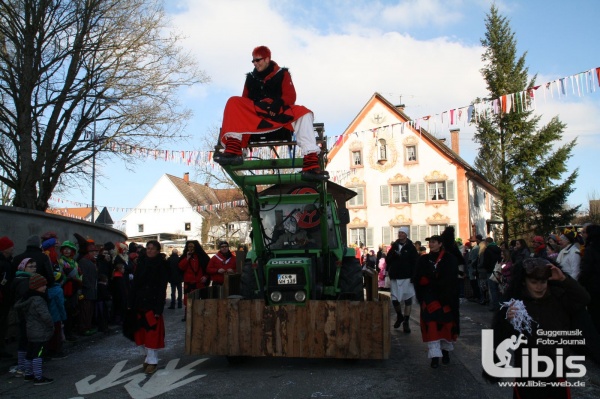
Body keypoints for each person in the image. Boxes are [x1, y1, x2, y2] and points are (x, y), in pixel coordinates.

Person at [214, 45, 329, 182]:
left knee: (304, 113)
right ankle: (233, 151)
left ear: (267, 59)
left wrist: (278, 103)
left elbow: (290, 96)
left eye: (258, 60)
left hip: (278, 114)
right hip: (257, 114)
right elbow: (244, 101)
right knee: (233, 102)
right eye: (253, 61)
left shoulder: (282, 74)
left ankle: (311, 165)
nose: (255, 64)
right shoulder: (250, 78)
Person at [489, 258, 590, 398]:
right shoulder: (515, 305)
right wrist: (508, 321)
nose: (539, 287)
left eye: (543, 282)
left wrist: (564, 279)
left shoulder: (558, 298)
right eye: (534, 282)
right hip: (528, 374)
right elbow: (501, 338)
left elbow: (584, 299)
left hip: (556, 373)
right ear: (524, 281)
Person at [414, 235, 459, 368]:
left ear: (440, 244)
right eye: (429, 242)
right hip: (429, 298)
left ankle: (445, 353)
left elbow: (451, 279)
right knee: (432, 325)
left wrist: (434, 281)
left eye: (433, 242)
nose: (431, 244)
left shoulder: (449, 259)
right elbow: (417, 277)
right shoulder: (423, 259)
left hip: (445, 298)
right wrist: (422, 282)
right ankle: (434, 357)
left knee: (446, 325)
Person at [127, 240, 169, 375]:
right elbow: (135, 285)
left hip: (152, 303)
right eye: (148, 248)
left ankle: (152, 361)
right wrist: (130, 303)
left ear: (158, 250)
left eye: (153, 248)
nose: (150, 250)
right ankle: (147, 356)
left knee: (152, 333)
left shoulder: (162, 265)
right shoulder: (141, 262)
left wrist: (158, 308)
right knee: (141, 333)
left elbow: (162, 288)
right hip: (139, 302)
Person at [13, 273, 54, 385]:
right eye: (43, 285)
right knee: (38, 354)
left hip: (30, 330)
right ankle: (38, 377)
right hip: (40, 331)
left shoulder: (27, 299)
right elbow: (45, 316)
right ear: (37, 286)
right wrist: (51, 325)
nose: (45, 287)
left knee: (30, 353)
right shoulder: (38, 300)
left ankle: (28, 374)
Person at [385, 227, 418, 332]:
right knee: (395, 299)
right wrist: (393, 256)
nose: (400, 234)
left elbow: (415, 262)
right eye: (399, 233)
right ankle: (399, 315)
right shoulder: (394, 246)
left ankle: (406, 321)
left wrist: (414, 276)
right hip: (395, 276)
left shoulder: (411, 247)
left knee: (408, 299)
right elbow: (387, 260)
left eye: (402, 233)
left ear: (406, 235)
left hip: (407, 276)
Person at [9, 258, 37, 377]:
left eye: (35, 266)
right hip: (27, 314)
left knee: (24, 339)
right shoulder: (24, 281)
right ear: (23, 268)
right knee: (27, 340)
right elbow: (26, 299)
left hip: (23, 314)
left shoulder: (20, 280)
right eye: (30, 266)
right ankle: (26, 367)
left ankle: (22, 365)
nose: (34, 268)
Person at [178, 240, 210, 322]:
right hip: (189, 282)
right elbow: (181, 267)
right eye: (189, 247)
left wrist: (206, 276)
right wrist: (187, 258)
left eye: (192, 247)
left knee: (201, 299)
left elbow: (208, 268)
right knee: (187, 300)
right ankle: (187, 314)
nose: (191, 249)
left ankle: (200, 314)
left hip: (200, 282)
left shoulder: (202, 257)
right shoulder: (185, 257)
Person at [58, 240, 81, 342]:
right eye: (65, 249)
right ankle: (67, 333)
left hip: (74, 289)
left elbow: (79, 275)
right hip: (65, 289)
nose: (66, 251)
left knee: (72, 311)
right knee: (66, 311)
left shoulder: (75, 263)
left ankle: (70, 331)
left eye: (69, 249)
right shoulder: (61, 261)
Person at [78, 242, 98, 336]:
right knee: (85, 311)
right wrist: (89, 286)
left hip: (91, 290)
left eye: (95, 251)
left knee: (89, 311)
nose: (95, 253)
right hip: (86, 291)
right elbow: (83, 276)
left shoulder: (91, 262)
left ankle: (87, 327)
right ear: (88, 252)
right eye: (92, 251)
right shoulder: (83, 261)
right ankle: (84, 328)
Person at [0, 236, 15, 358]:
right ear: (4, 249)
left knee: (4, 323)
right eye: (10, 247)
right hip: (2, 298)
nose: (12, 249)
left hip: (6, 298)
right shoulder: (3, 264)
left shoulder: (8, 261)